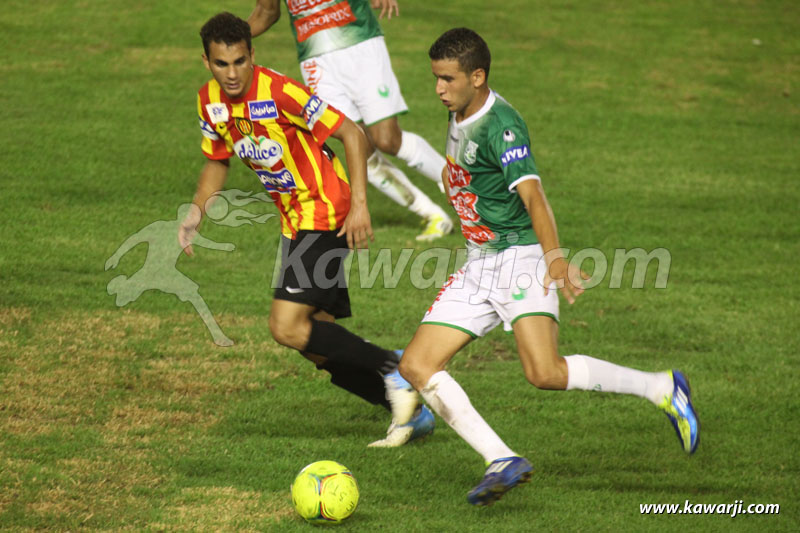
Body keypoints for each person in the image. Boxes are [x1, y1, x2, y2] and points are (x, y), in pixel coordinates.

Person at [396, 28, 700, 506]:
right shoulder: (459, 111)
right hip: (479, 264)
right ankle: (501, 459)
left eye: (447, 79)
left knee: (545, 373)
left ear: (477, 77)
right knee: (416, 365)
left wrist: (554, 258)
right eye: (435, 78)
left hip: (520, 259)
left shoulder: (503, 126)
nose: (438, 88)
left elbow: (534, 197)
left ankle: (662, 387)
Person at [180, 12, 434, 447]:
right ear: (207, 62)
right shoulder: (210, 102)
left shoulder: (280, 91)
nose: (233, 73)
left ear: (252, 54)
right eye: (222, 64)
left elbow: (352, 133)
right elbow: (216, 159)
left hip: (325, 210)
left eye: (240, 61)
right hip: (294, 220)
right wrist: (197, 211)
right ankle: (407, 408)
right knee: (317, 339)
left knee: (286, 326)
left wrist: (359, 204)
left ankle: (398, 369)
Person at [247, 0, 454, 241]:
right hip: (316, 61)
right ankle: (433, 215)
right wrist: (231, 38)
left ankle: (465, 188)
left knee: (387, 139)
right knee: (359, 146)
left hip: (359, 42)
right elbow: (267, 11)